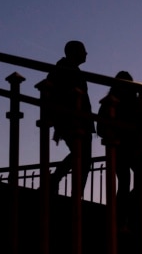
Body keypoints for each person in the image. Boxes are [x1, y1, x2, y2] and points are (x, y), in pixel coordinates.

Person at [47, 40, 94, 197]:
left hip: (75, 119)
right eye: (83, 50)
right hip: (74, 120)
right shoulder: (66, 70)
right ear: (75, 52)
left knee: (81, 155)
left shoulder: (63, 69)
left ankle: (58, 181)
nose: (86, 53)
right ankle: (72, 190)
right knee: (83, 156)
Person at [97, 71, 139, 230]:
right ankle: (123, 217)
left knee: (125, 183)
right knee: (130, 182)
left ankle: (121, 217)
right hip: (128, 147)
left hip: (121, 148)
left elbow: (100, 127)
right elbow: (100, 128)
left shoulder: (110, 102)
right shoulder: (134, 102)